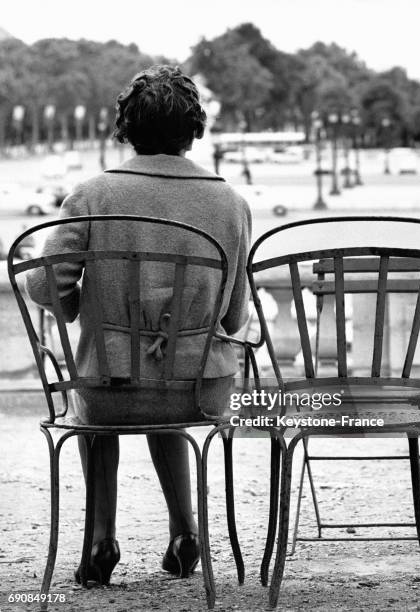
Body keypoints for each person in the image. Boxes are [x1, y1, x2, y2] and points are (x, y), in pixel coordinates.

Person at [25, 65, 251, 585]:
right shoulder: (231, 203)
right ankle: (185, 530)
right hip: (199, 387)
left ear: (125, 129)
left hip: (113, 387)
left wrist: (86, 299)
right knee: (164, 381)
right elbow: (234, 315)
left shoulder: (91, 195)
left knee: (98, 393)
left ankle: (100, 538)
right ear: (196, 130)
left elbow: (45, 291)